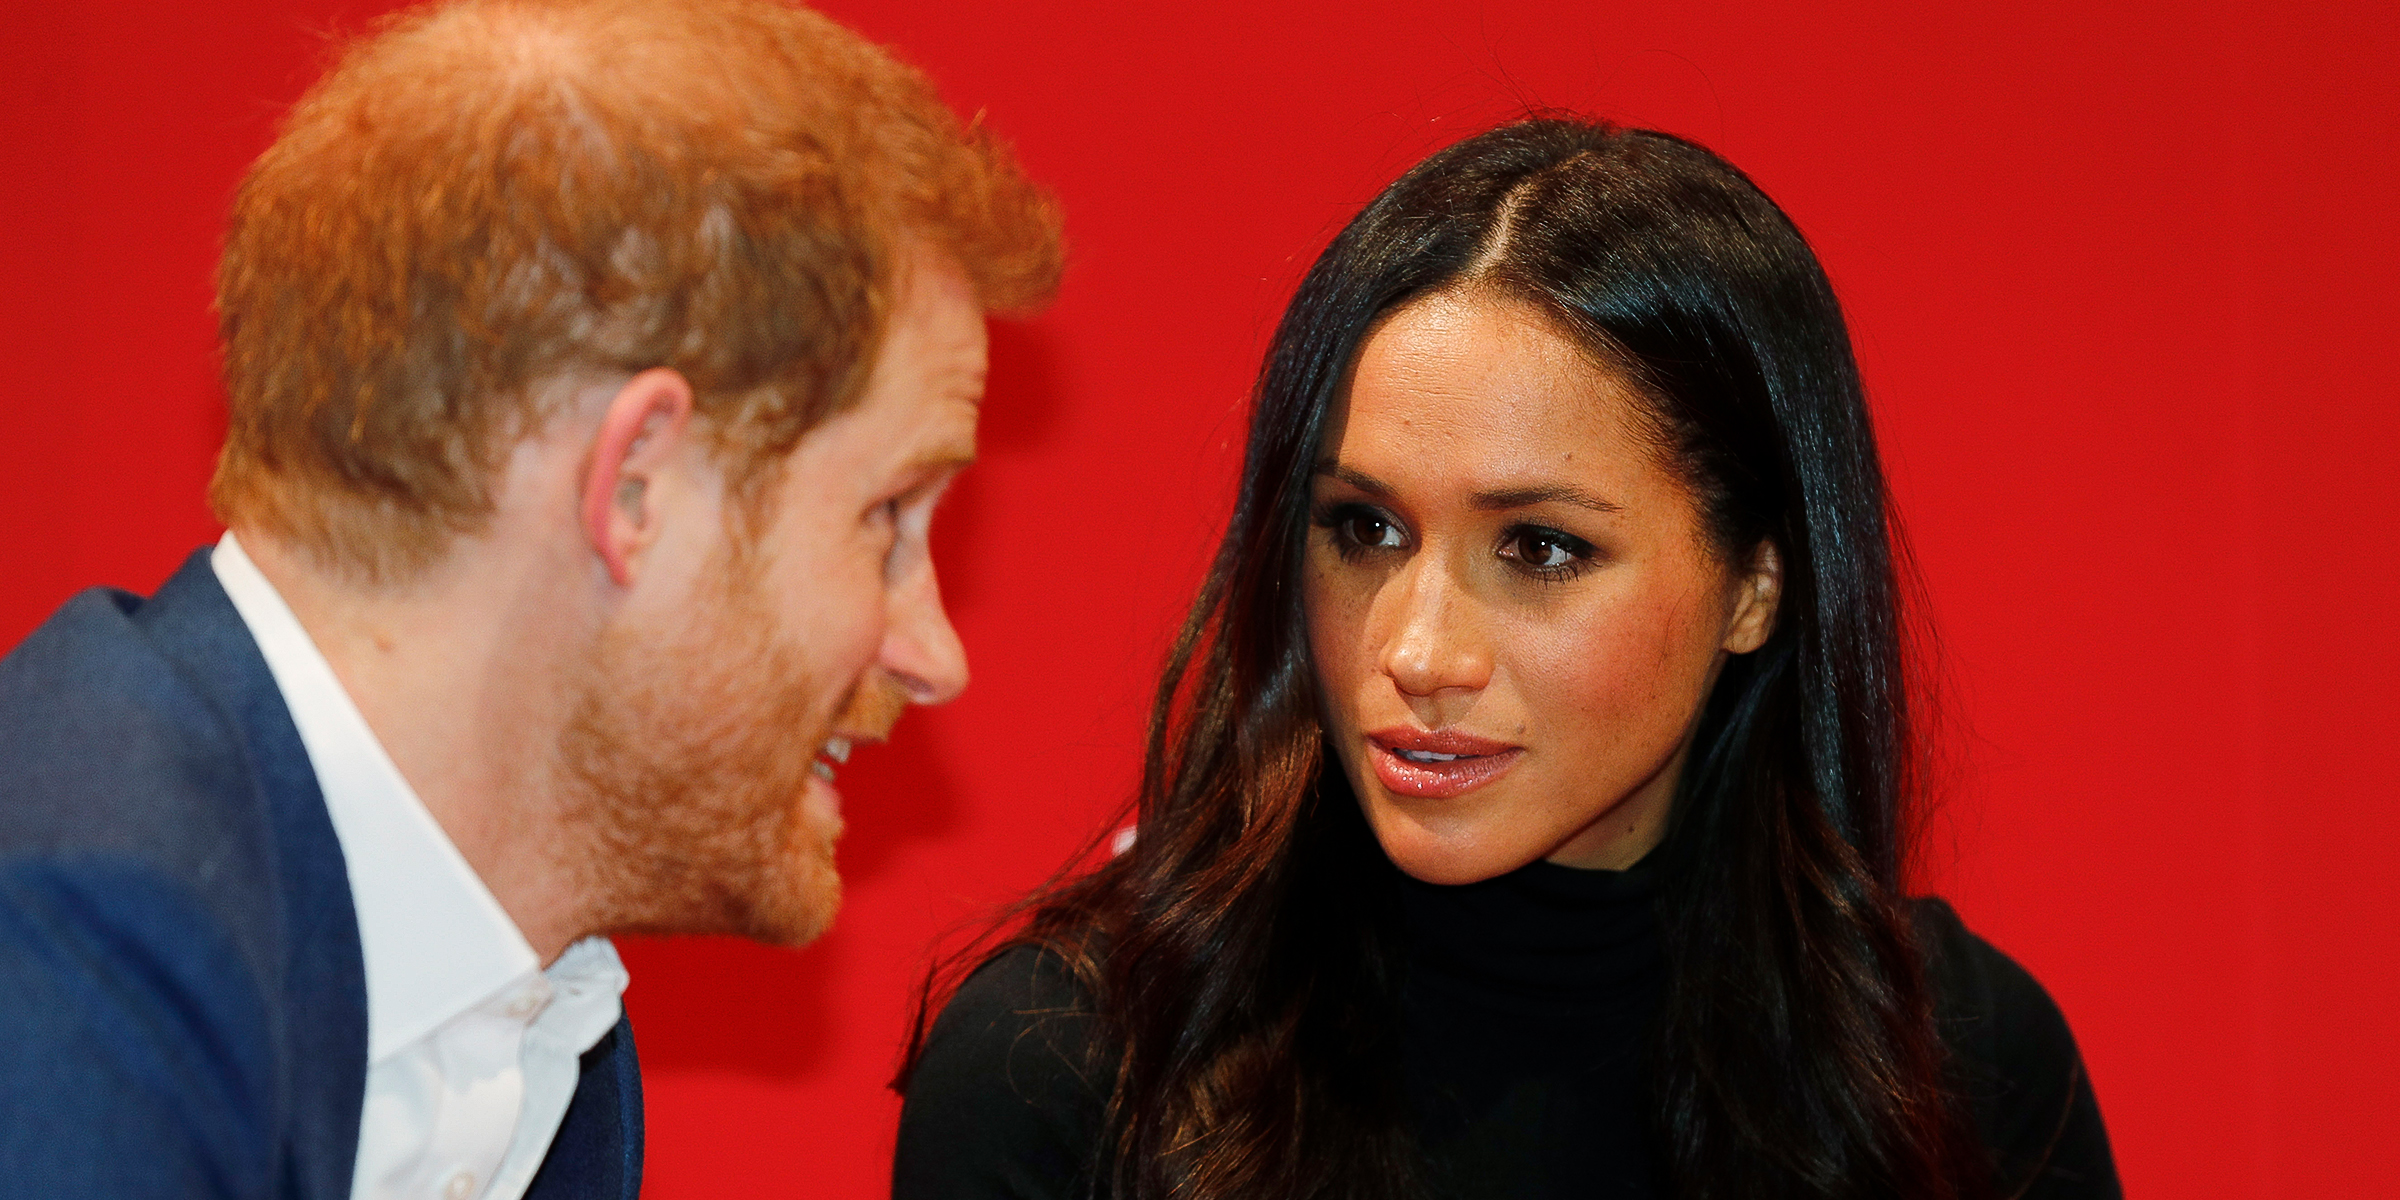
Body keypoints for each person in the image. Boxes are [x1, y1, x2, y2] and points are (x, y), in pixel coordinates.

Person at [893, 119, 2116, 1200]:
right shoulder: (1066, 1070)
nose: (1418, 649)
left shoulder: (1959, 1062)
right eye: (1363, 530)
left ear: (1756, 585)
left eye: (1540, 548)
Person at [0, 1, 1058, 1197]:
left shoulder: (537, 1035)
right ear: (635, 489)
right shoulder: (61, 970)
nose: (933, 653)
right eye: (888, 518)